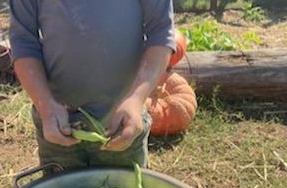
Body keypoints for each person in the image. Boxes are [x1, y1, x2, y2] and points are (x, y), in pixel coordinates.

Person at [9, 0, 176, 172]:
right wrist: (45, 105)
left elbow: (161, 32)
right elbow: (23, 42)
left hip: (122, 125)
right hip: (58, 125)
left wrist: (136, 98)